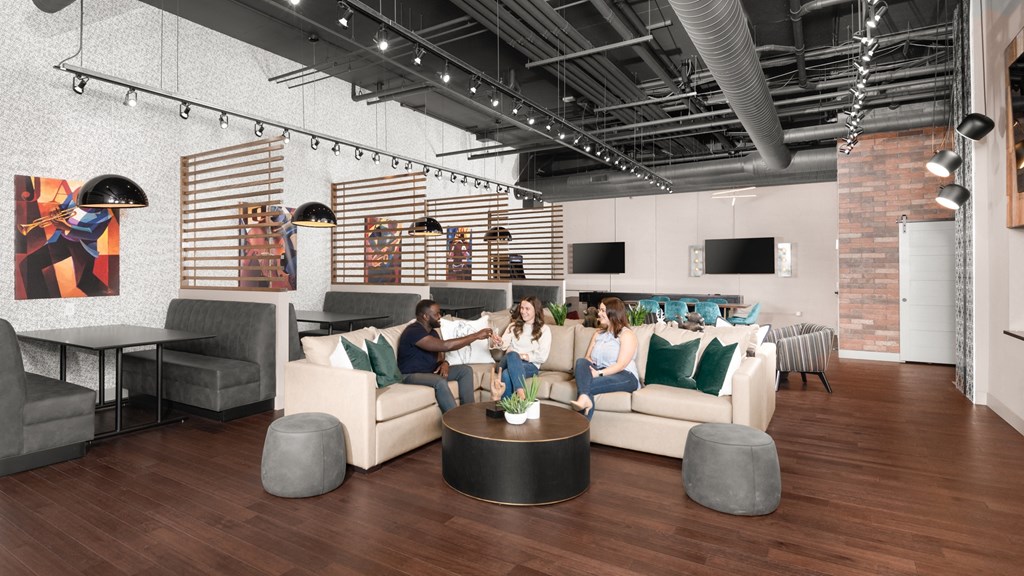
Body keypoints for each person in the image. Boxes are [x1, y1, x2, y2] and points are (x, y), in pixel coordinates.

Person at [397, 299, 493, 413]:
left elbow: (440, 355)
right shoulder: (414, 331)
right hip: (410, 375)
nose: (440, 317)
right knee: (439, 381)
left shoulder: (432, 332)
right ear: (426, 316)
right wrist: (476, 335)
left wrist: (445, 363)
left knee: (465, 371)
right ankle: (456, 422)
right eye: (436, 314)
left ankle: (469, 414)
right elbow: (445, 346)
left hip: (429, 372)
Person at [571, 297, 640, 420]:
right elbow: (587, 357)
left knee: (586, 387)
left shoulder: (626, 334)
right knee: (581, 362)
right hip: (599, 370)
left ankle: (578, 432)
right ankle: (585, 400)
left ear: (613, 313)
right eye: (599, 310)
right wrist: (591, 367)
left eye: (603, 310)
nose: (599, 313)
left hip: (625, 376)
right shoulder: (598, 334)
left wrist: (598, 373)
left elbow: (621, 365)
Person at [490, 296, 552, 400]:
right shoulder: (513, 326)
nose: (523, 311)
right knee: (512, 355)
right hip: (507, 361)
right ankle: (521, 394)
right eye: (522, 308)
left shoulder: (544, 330)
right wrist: (499, 342)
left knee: (506, 374)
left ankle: (506, 411)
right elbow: (504, 344)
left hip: (530, 366)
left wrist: (522, 356)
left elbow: (542, 356)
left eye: (527, 309)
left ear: (535, 311)